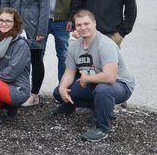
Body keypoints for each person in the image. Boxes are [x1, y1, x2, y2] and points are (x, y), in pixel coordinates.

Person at [52, 9, 134, 142]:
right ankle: (98, 106)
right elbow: (69, 72)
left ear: (94, 23)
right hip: (95, 82)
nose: (83, 28)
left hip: (120, 84)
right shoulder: (74, 46)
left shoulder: (105, 45)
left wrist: (86, 78)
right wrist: (62, 87)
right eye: (79, 25)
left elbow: (110, 77)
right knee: (58, 92)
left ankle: (102, 128)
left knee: (103, 90)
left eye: (86, 24)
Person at [2, 0, 50, 107]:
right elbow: (5, 1)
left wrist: (41, 30)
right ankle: (17, 91)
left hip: (33, 24)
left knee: (36, 58)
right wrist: (4, 24)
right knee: (15, 60)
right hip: (14, 25)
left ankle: (34, 94)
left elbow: (45, 6)